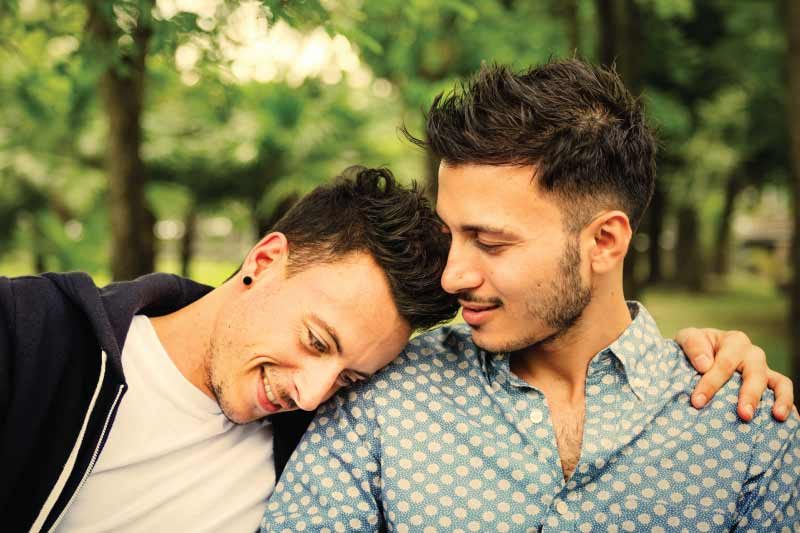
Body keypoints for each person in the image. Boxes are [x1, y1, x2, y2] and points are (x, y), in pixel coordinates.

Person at [262, 61, 800, 532]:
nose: (451, 278)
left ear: (604, 242)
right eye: (451, 237)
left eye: (490, 242)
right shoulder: (385, 392)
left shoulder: (747, 431)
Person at [0, 168, 459, 531]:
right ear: (263, 262)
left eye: (347, 378)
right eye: (316, 341)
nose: (312, 395)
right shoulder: (29, 334)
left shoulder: (314, 451)